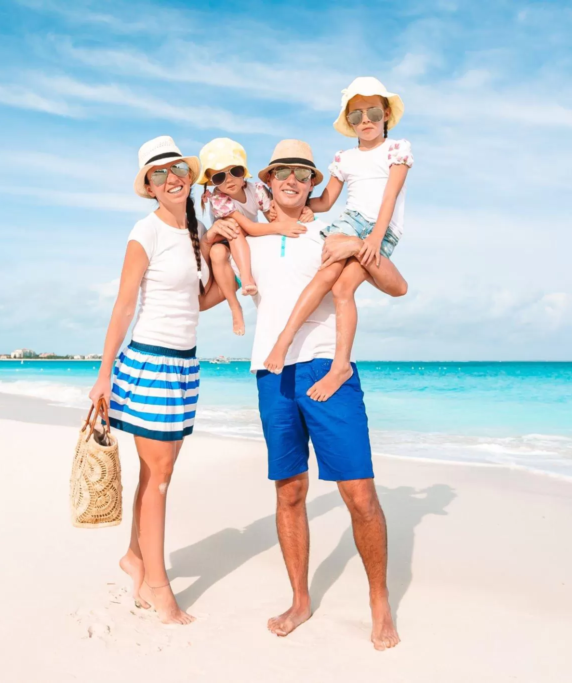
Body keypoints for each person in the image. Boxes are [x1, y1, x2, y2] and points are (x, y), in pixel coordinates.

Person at [204, 139, 408, 650]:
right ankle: (300, 599)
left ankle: (379, 603)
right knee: (289, 491)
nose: (292, 180)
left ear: (315, 183)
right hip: (270, 374)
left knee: (358, 493)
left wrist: (359, 248)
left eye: (302, 173)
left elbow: (396, 284)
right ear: (266, 182)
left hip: (325, 367)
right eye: (282, 173)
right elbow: (210, 291)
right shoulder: (248, 231)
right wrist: (213, 236)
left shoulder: (328, 228)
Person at [87, 135, 230, 626]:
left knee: (155, 475)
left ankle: (134, 557)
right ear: (148, 186)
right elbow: (124, 306)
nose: (173, 179)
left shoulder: (195, 230)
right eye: (160, 173)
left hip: (185, 366)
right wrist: (104, 374)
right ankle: (156, 585)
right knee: (162, 478)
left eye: (178, 170)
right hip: (149, 363)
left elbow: (201, 301)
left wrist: (224, 265)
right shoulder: (143, 232)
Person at [262, 77, 412, 402]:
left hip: (381, 228)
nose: (366, 120)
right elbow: (326, 202)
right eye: (356, 116)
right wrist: (299, 207)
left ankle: (341, 365)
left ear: (385, 113)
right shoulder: (344, 157)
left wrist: (372, 238)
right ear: (349, 122)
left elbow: (390, 196)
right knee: (327, 278)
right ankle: (285, 338)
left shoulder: (397, 149)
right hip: (349, 222)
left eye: (372, 111)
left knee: (344, 289)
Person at [198, 137, 313, 336]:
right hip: (227, 235)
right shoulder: (219, 199)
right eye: (219, 177)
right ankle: (238, 300)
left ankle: (243, 286)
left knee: (224, 246)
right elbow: (250, 227)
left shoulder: (257, 189)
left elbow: (273, 216)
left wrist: (303, 213)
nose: (229, 180)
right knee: (225, 240)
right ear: (211, 182)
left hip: (247, 236)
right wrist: (281, 227)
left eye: (235, 172)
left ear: (244, 171)